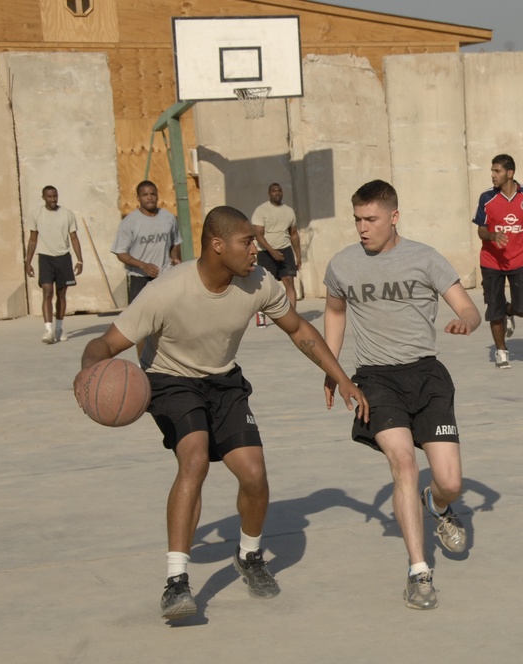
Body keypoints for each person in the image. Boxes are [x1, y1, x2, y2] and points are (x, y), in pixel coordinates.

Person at [73, 205, 368, 621]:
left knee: (253, 473)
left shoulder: (260, 283)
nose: (255, 249)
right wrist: (86, 379)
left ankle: (248, 556)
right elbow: (102, 346)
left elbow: (300, 330)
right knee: (194, 460)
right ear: (217, 245)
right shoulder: (165, 292)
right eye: (246, 241)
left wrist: (341, 377)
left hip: (224, 381)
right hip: (170, 380)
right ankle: (176, 582)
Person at [322, 180, 481, 610]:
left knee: (450, 481)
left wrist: (466, 321)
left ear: (394, 217)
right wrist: (331, 368)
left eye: (370, 219)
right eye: (357, 219)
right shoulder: (342, 265)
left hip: (427, 376)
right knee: (405, 464)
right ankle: (418, 572)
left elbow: (468, 308)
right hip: (376, 380)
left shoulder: (425, 258)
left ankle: (438, 505)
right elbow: (335, 313)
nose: (362, 227)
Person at [472, 154, 523, 369]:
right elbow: (480, 229)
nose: (492, 175)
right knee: (493, 309)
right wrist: (492, 236)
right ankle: (501, 351)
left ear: (510, 173)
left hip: (519, 260)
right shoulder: (487, 198)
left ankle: (509, 311)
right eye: (492, 170)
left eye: (497, 171)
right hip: (491, 262)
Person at [111, 180, 183, 357]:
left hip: (164, 277)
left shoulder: (168, 218)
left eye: (153, 194)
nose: (149, 198)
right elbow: (120, 252)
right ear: (138, 197)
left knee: (169, 322)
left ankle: (168, 362)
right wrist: (143, 265)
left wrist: (175, 258)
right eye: (145, 194)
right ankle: (144, 365)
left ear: (157, 195)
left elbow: (176, 242)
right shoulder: (130, 222)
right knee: (141, 326)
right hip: (139, 279)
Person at [24, 185, 84, 344]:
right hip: (45, 258)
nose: (53, 199)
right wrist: (27, 262)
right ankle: (48, 330)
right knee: (47, 292)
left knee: (62, 294)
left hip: (63, 258)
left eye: (55, 196)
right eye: (49, 197)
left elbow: (74, 238)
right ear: (43, 197)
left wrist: (80, 260)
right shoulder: (36, 215)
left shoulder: (67, 215)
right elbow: (32, 240)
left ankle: (59, 328)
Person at [252, 182, 302, 325]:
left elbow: (293, 234)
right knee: (265, 287)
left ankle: (292, 317)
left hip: (285, 249)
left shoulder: (289, 211)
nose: (277, 193)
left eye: (279, 191)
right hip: (266, 252)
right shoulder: (261, 211)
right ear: (269, 193)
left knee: (289, 282)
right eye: (274, 191)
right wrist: (272, 252)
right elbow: (258, 235)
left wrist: (298, 255)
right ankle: (261, 316)